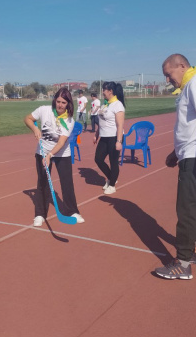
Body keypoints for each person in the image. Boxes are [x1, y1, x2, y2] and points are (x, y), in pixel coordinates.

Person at [155, 53, 196, 280]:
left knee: (187, 207)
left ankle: (182, 262)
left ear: (181, 66)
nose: (167, 79)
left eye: (168, 74)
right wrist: (176, 153)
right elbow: (190, 125)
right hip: (190, 153)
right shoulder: (192, 84)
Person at [24, 87, 85, 227]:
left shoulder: (69, 120)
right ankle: (40, 214)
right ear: (54, 100)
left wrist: (50, 155)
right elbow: (27, 118)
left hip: (61, 154)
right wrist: (35, 128)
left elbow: (62, 141)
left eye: (64, 102)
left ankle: (72, 211)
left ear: (68, 104)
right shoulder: (44, 110)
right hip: (42, 152)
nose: (60, 105)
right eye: (58, 101)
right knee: (43, 183)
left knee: (67, 182)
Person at [93, 81, 125, 195]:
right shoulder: (105, 104)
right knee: (98, 159)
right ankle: (111, 177)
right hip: (104, 136)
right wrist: (96, 134)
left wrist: (119, 141)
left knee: (113, 162)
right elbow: (101, 121)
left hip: (114, 137)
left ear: (110, 91)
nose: (102, 92)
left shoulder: (118, 105)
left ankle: (112, 185)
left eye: (104, 90)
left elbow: (120, 124)